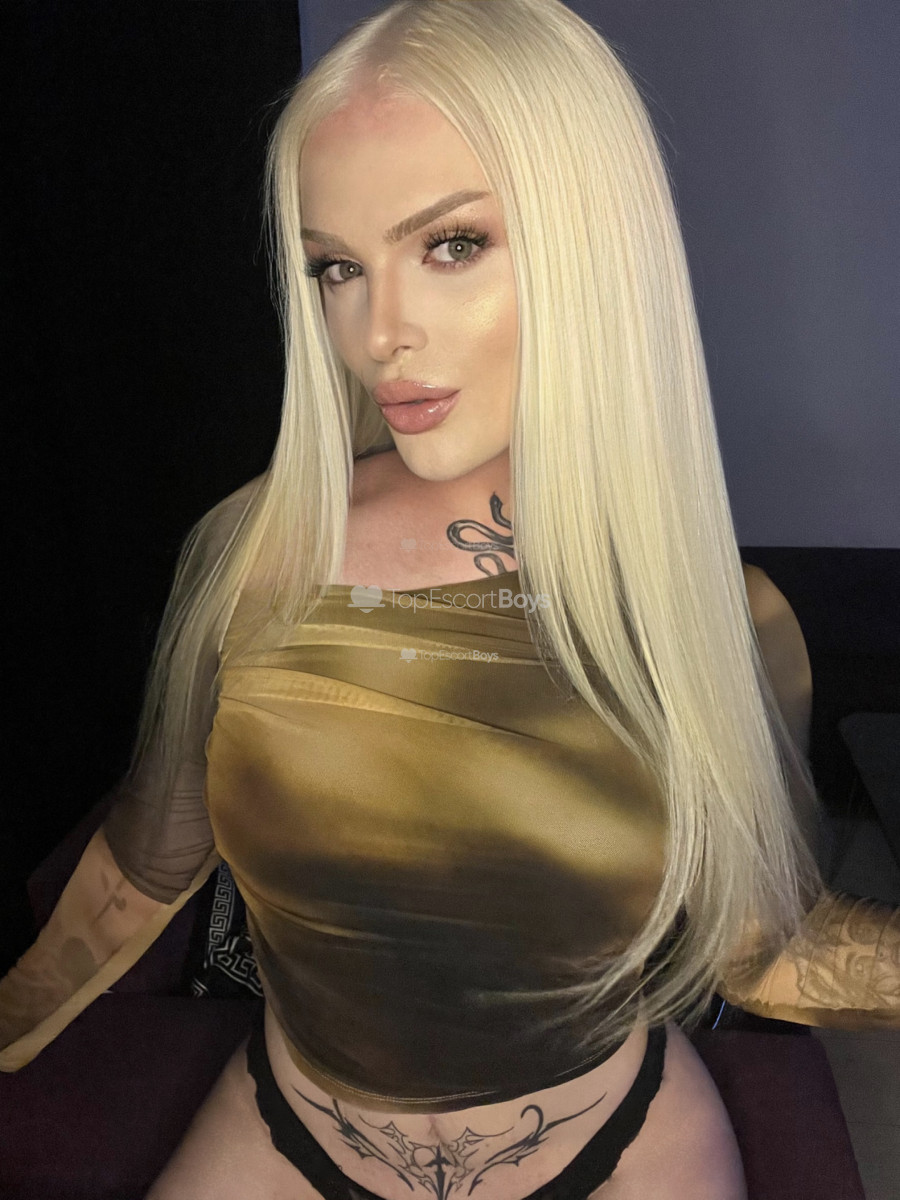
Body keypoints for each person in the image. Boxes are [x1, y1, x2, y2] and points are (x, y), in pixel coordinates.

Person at [1, 1, 898, 1197]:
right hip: (288, 1131)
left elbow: (765, 951)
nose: (380, 333)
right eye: (336, 267)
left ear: (593, 248)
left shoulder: (716, 616)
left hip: (619, 1147)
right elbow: (147, 863)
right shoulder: (252, 551)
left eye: (452, 245)